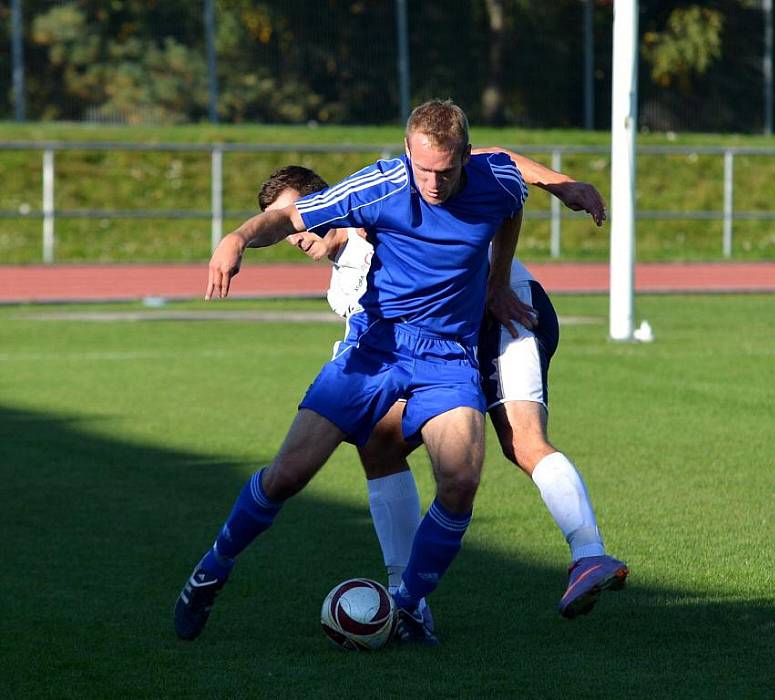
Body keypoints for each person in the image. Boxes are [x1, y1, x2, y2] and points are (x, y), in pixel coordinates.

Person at [175, 99, 532, 646]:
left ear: (465, 154)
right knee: (288, 475)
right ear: (406, 151)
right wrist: (237, 238)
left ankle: (408, 606)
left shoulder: (496, 179)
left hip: (447, 357)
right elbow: (289, 216)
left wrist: (498, 279)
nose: (432, 183)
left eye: (444, 170)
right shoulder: (382, 185)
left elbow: (513, 203)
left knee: (461, 480)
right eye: (421, 168)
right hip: (374, 350)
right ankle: (212, 568)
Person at [276, 151, 627, 625]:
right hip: (441, 352)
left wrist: (559, 183)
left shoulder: (382, 203)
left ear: (325, 202)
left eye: (293, 217)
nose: (294, 234)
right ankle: (407, 598)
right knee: (378, 443)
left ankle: (589, 554)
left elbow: (486, 158)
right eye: (280, 226)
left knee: (522, 441)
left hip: (503, 314)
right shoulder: (340, 286)